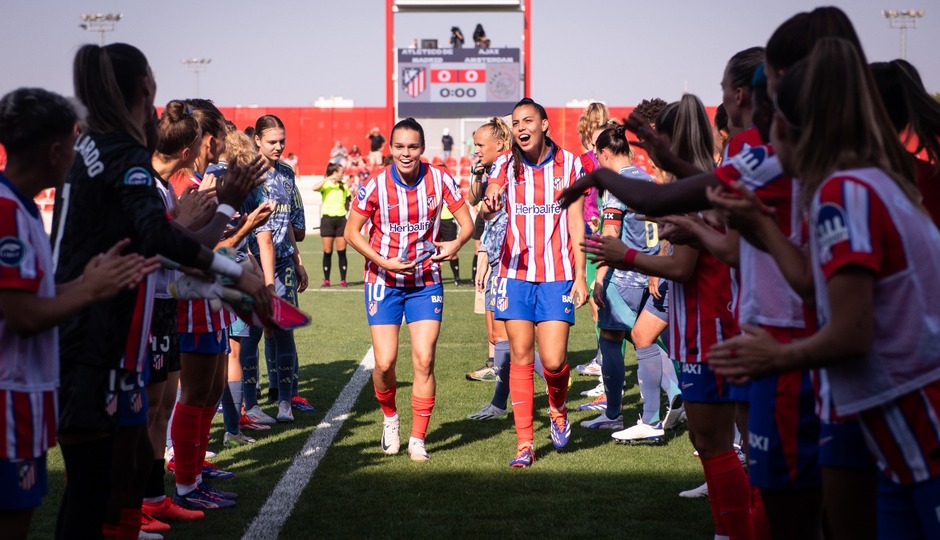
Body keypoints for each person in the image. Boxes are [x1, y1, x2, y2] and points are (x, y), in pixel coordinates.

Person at [709, 38, 940, 540]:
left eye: (772, 129)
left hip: (915, 417)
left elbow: (853, 331)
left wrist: (777, 357)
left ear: (792, 129)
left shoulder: (845, 191)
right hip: (892, 421)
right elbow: (819, 286)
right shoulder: (870, 181)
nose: (765, 148)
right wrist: (764, 228)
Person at [51, 43, 268, 539]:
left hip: (104, 330)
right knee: (95, 481)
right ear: (142, 88)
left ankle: (144, 512)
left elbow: (155, 244)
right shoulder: (120, 154)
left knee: (116, 466)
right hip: (98, 336)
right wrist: (228, 259)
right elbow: (158, 237)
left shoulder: (95, 146)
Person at [0, 87, 156, 540]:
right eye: (73, 142)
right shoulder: (8, 212)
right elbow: (24, 315)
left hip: (24, 395)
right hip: (9, 398)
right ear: (54, 152)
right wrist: (89, 290)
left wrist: (85, 281)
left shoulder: (21, 207)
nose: (78, 151)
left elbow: (34, 295)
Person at [345, 117, 473, 462]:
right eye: (399, 146)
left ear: (422, 148)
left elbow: (467, 223)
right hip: (383, 282)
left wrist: (455, 243)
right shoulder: (373, 186)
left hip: (425, 282)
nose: (406, 153)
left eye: (413, 147)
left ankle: (418, 438)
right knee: (385, 364)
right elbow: (352, 233)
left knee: (424, 359)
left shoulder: (440, 179)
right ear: (390, 148)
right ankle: (390, 418)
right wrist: (382, 262)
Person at [481, 98, 589, 468]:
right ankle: (525, 443)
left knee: (555, 360)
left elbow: (577, 223)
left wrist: (581, 274)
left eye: (528, 120)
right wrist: (491, 198)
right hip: (514, 274)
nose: (521, 127)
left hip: (557, 274)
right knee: (521, 357)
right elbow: (490, 191)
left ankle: (558, 408)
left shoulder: (571, 164)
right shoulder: (504, 164)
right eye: (515, 122)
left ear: (545, 125)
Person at [580, 123, 679, 436]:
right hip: (652, 275)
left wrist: (599, 280)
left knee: (610, 340)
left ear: (607, 154)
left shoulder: (617, 187)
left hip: (624, 277)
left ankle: (613, 412)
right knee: (645, 338)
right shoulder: (649, 178)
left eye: (598, 156)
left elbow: (611, 234)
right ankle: (676, 395)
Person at [466, 117, 546, 418]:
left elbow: (500, 219)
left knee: (506, 336)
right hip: (498, 258)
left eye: (479, 145)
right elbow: (477, 201)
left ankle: (549, 389)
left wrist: (488, 256)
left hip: (510, 263)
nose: (476, 150)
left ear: (499, 144)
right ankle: (500, 402)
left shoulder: (512, 169)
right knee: (497, 335)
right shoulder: (492, 171)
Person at [240, 114, 311, 430]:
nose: (279, 146)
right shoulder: (244, 176)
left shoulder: (286, 173)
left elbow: (287, 225)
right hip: (252, 265)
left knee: (284, 332)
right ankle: (249, 404)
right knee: (251, 334)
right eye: (273, 141)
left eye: (282, 140)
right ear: (257, 140)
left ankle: (285, 401)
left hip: (283, 264)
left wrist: (297, 259)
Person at [312, 162, 350, 287]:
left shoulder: (344, 186)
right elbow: (314, 188)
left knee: (341, 251)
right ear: (334, 173)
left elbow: (347, 203)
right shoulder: (326, 185)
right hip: (327, 220)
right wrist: (328, 178)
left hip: (341, 220)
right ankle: (327, 280)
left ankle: (343, 280)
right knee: (327, 251)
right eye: (341, 172)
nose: (343, 174)